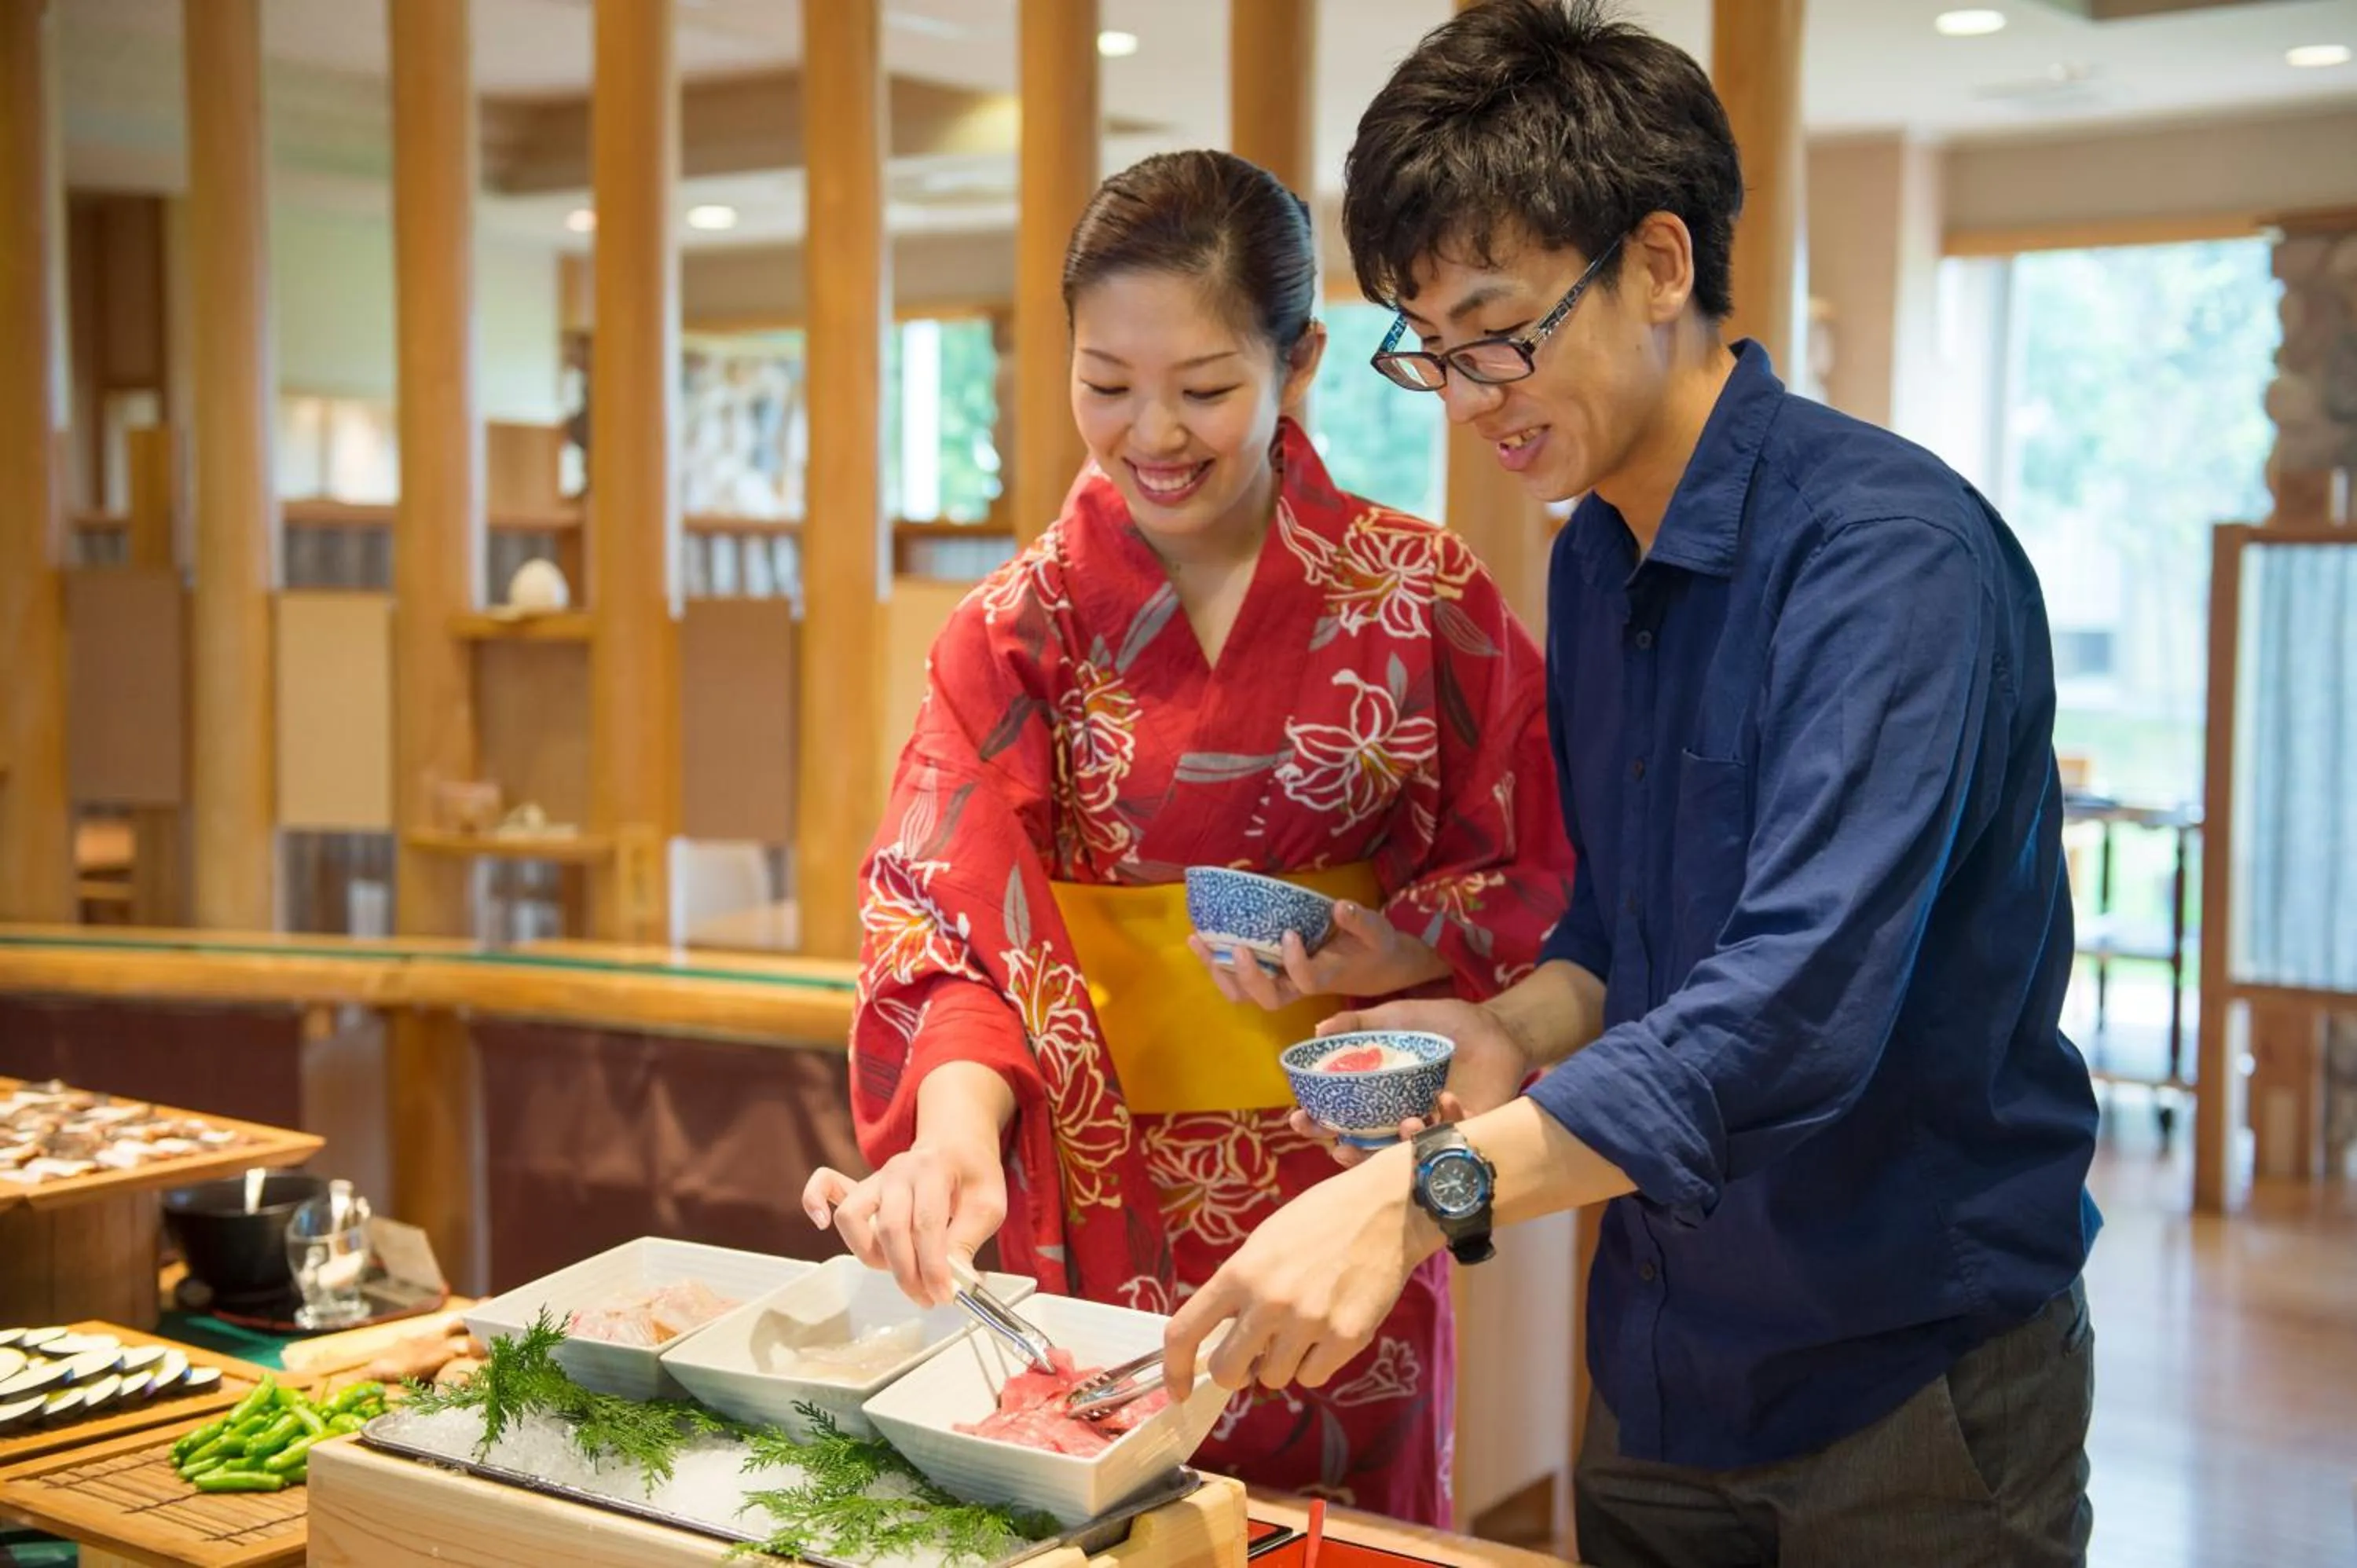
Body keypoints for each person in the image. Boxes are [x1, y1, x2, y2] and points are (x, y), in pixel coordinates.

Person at [1163, 5, 2102, 1565]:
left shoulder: (1888, 562)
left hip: (1909, 1373)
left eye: (1501, 328)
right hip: (1668, 1351)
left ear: (1661, 262)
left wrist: (1418, 1198)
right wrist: (1504, 1027)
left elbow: (1792, 1001)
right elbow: (1623, 930)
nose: (1471, 397)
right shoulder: (1596, 558)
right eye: (1434, 349)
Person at [801, 148, 1574, 1526]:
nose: (1152, 432)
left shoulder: (1425, 597)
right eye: (1107, 384)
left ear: (1302, 362)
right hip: (1095, 1189)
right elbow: (944, 915)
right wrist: (954, 1133)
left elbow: (1545, 878)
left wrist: (1386, 947)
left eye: (1205, 388)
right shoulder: (1013, 629)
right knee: (1103, 1511)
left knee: (1347, 1533)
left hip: (1353, 1186)